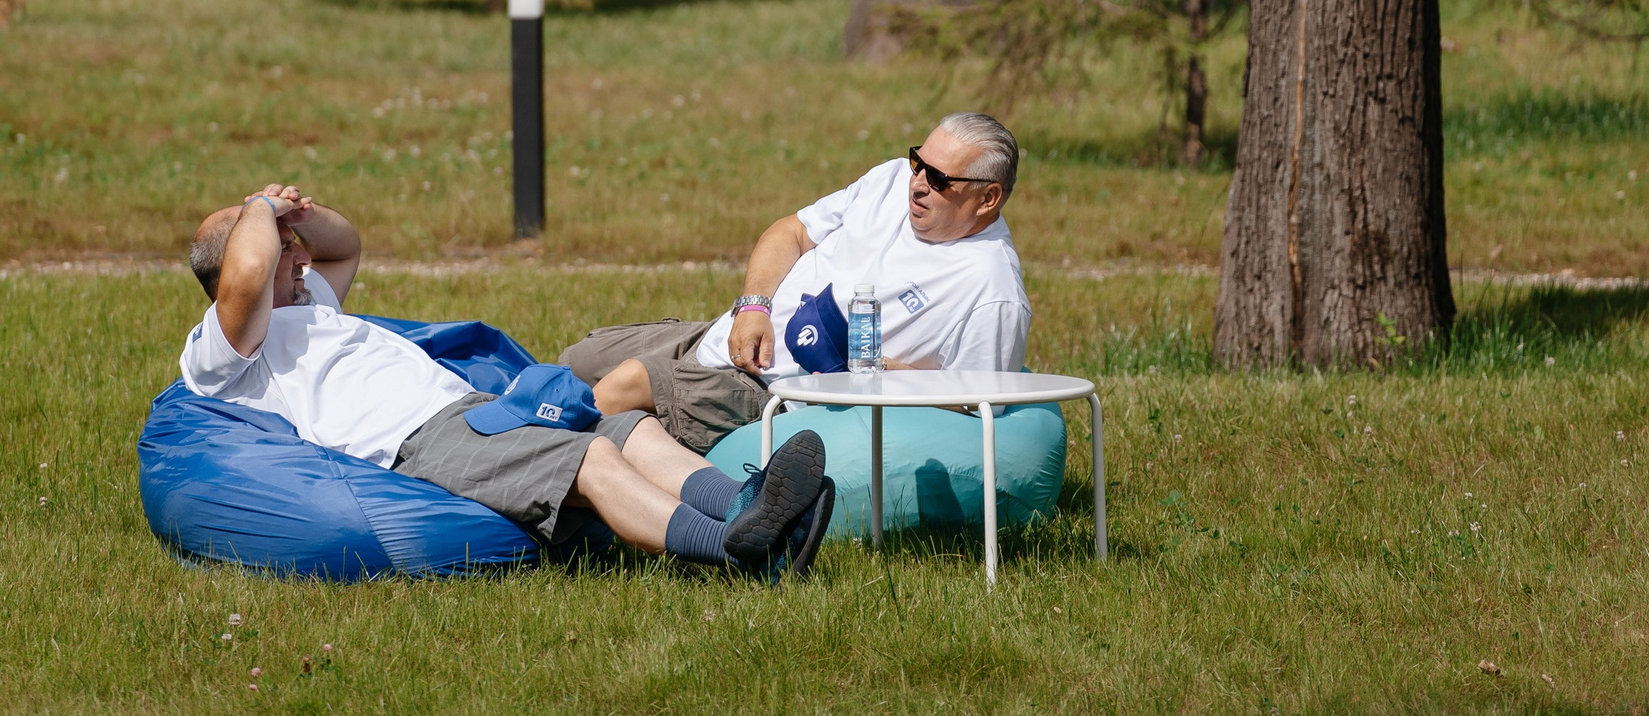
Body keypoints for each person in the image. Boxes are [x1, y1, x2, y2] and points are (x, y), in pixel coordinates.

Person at [178, 182, 835, 577]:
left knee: (624, 424)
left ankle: (748, 506)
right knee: (591, 455)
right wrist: (258, 205)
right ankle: (733, 549)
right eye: (281, 245)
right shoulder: (226, 343)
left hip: (473, 407)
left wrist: (295, 213)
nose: (298, 253)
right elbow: (245, 273)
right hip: (419, 442)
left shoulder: (310, 299)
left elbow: (345, 243)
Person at [559, 113, 1031, 454]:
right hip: (728, 333)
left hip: (778, 394)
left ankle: (527, 477)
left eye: (940, 178)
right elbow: (791, 231)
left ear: (988, 198)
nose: (918, 183)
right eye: (918, 163)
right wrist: (753, 308)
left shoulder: (990, 288)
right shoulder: (888, 181)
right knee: (576, 363)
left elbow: (977, 404)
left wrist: (883, 372)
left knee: (628, 383)